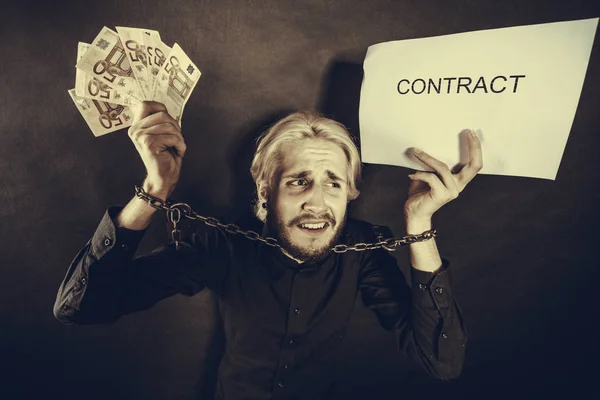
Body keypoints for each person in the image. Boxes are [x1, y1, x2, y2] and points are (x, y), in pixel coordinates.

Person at [53, 102, 482, 399]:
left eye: (333, 182)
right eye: (298, 180)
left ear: (350, 193)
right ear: (265, 190)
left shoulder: (363, 249)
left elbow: (442, 363)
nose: (317, 201)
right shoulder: (221, 245)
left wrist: (420, 224)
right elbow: (80, 308)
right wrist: (154, 191)